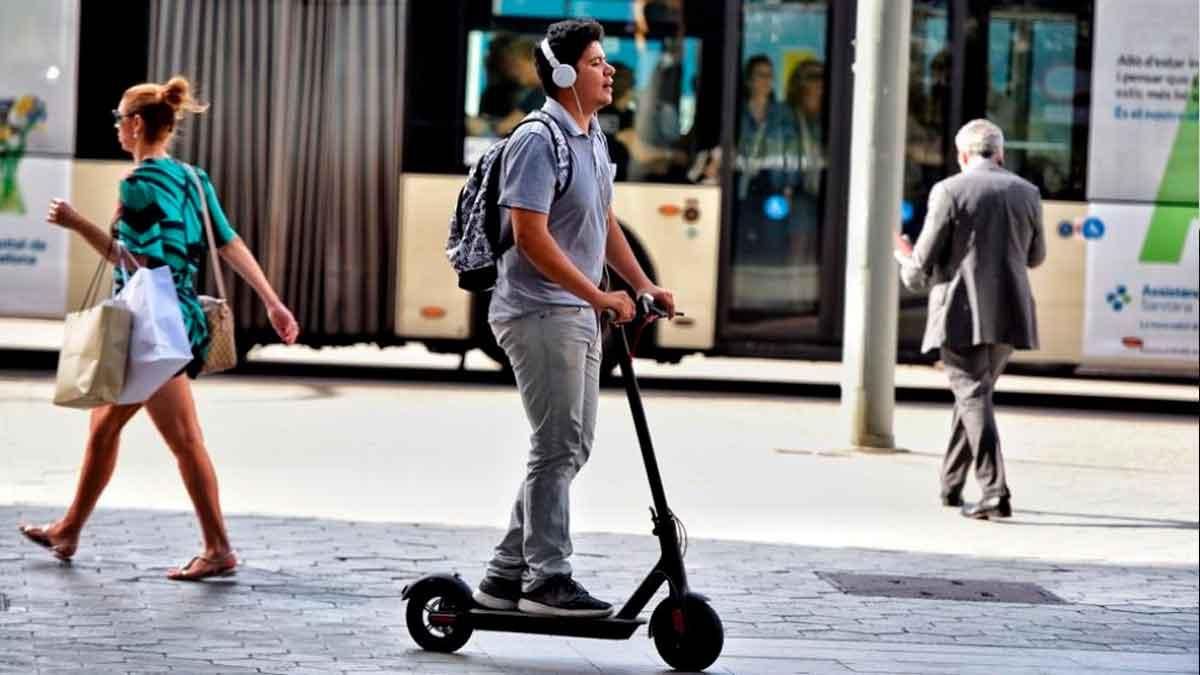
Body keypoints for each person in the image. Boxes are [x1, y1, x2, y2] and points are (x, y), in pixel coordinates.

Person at [18, 76, 300, 579]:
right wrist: (272, 302)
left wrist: (77, 223)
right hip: (181, 320)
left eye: (119, 119)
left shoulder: (139, 185)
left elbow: (139, 264)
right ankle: (69, 530)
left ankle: (217, 548)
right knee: (107, 428)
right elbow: (230, 244)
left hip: (153, 329)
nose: (117, 129)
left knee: (181, 440)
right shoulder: (193, 178)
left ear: (137, 124)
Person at [471, 19, 675, 617]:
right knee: (557, 443)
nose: (609, 70)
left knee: (569, 445)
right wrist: (596, 294)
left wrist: (641, 285)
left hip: (574, 314)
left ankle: (506, 574)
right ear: (563, 75)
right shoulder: (539, 139)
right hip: (538, 312)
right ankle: (546, 580)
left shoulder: (591, 138)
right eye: (595, 62)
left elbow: (604, 223)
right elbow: (531, 237)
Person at [894, 119, 1045, 520]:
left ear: (963, 156)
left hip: (959, 311)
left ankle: (995, 492)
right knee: (975, 395)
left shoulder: (949, 190)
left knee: (973, 395)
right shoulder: (1027, 192)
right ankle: (950, 484)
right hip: (1011, 313)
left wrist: (904, 256)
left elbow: (919, 270)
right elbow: (1035, 257)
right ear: (1001, 153)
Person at [734, 54, 800, 266]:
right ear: (749, 80)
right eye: (761, 75)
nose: (766, 80)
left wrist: (789, 187)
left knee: (772, 238)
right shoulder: (737, 111)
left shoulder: (782, 112)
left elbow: (792, 151)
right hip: (744, 182)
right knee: (743, 235)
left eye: (770, 76)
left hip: (774, 183)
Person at [784, 55, 826, 263]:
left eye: (821, 78)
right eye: (812, 78)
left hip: (825, 190)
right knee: (799, 247)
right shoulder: (788, 116)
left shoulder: (830, 117)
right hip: (799, 191)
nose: (819, 84)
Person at [477, 34, 546, 137]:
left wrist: (485, 126)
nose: (512, 73)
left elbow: (505, 127)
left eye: (516, 65)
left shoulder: (544, 93)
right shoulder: (536, 92)